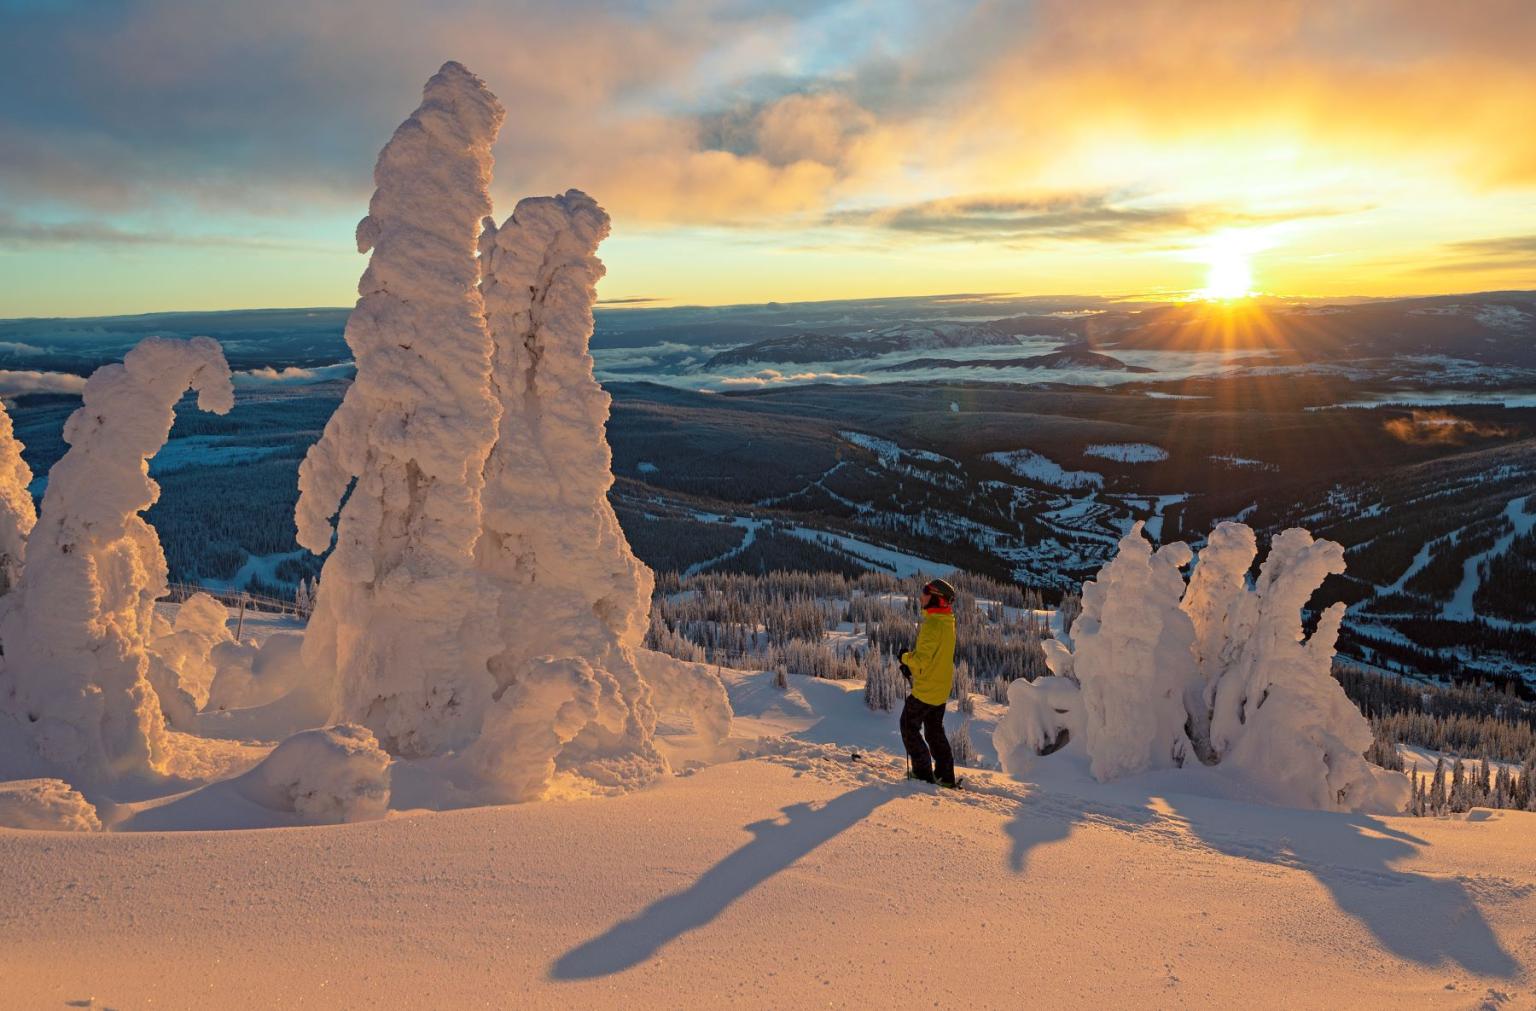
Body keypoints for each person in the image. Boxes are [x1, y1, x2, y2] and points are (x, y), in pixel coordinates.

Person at [898, 577, 958, 786]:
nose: (921, 595)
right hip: (940, 689)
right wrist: (912, 665)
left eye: (925, 591)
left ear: (936, 599)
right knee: (934, 732)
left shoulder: (932, 625)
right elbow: (934, 658)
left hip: (926, 691)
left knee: (908, 726)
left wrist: (905, 658)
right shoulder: (947, 622)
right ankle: (945, 776)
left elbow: (922, 660)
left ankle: (922, 773)